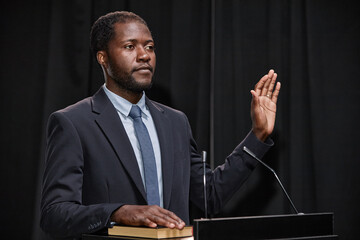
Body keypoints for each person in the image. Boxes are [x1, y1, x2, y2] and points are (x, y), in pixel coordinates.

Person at [40, 11, 281, 239]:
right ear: (103, 58)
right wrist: (117, 212)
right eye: (130, 46)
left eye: (150, 47)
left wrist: (257, 135)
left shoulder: (175, 122)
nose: (144, 55)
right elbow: (55, 215)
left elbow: (210, 196)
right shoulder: (73, 122)